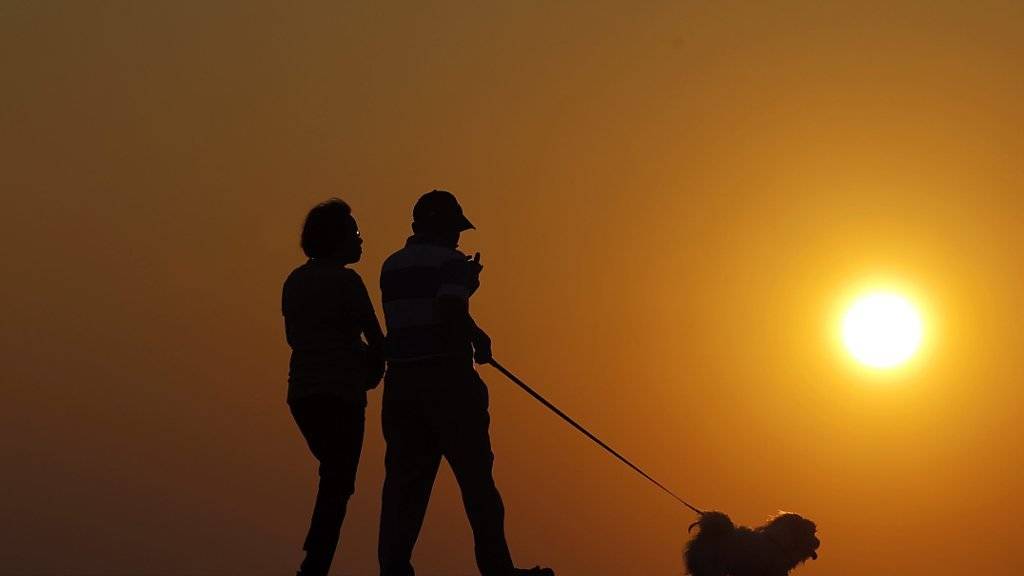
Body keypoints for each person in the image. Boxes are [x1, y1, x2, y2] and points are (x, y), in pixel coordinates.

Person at [377, 190, 553, 576]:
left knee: (404, 487)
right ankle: (497, 569)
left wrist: (463, 288)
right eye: (455, 229)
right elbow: (448, 309)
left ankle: (393, 568)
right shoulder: (452, 262)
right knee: (478, 487)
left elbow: (418, 312)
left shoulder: (391, 266)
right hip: (448, 384)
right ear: (442, 227)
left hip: (402, 385)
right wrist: (477, 335)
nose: (459, 239)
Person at [282, 199, 385, 576]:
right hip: (341, 393)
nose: (361, 240)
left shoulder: (294, 281)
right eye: (355, 233)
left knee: (334, 475)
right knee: (340, 480)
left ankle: (316, 556)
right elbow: (376, 340)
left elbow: (296, 337)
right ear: (337, 239)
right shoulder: (347, 282)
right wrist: (376, 367)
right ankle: (316, 563)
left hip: (303, 395)